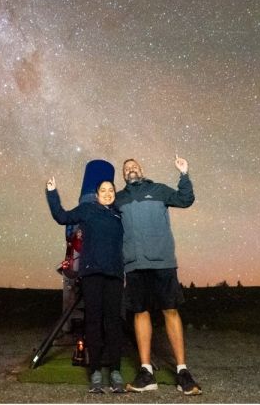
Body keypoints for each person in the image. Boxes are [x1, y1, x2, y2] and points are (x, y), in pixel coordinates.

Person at [115, 155, 202, 396]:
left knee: (170, 310)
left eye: (134, 166)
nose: (131, 169)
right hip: (134, 265)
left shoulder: (159, 190)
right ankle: (146, 373)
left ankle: (182, 372)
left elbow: (185, 199)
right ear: (123, 175)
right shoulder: (119, 199)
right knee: (140, 313)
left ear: (141, 170)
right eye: (126, 169)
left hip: (162, 262)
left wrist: (184, 174)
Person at [46, 176, 126, 393]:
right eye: (103, 190)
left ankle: (116, 371)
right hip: (92, 274)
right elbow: (62, 217)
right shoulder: (87, 210)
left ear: (114, 194)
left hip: (114, 275)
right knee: (93, 322)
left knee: (113, 323)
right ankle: (95, 371)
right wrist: (52, 193)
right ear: (97, 195)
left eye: (111, 190)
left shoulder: (120, 215)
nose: (107, 193)